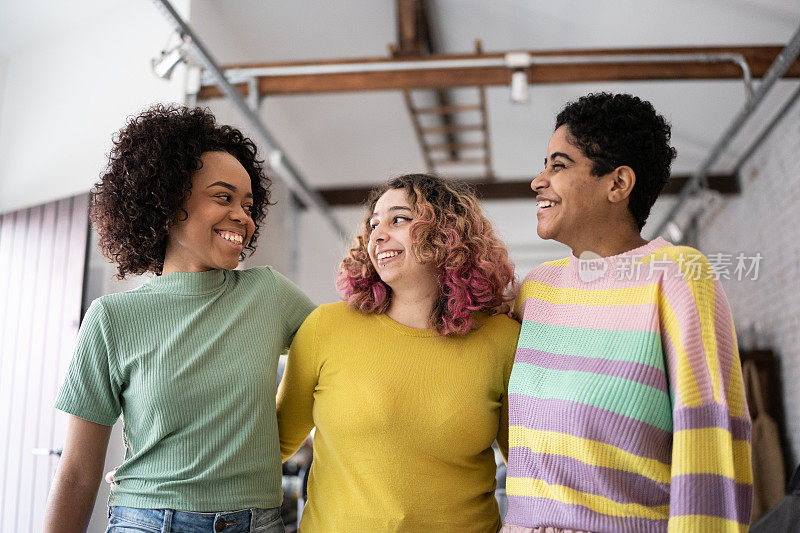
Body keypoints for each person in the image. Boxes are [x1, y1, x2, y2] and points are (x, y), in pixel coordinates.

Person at [43, 105, 315, 533]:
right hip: (148, 521)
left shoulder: (269, 294)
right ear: (167, 202)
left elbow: (341, 351)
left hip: (257, 522)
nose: (243, 216)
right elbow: (77, 471)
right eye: (223, 197)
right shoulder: (113, 318)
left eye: (248, 204)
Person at [502, 93, 752, 533]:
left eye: (558, 165)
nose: (538, 181)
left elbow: (709, 438)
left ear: (618, 184)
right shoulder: (536, 289)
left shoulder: (676, 276)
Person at [277, 173, 521, 532]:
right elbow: (271, 448)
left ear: (447, 233)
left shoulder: (502, 340)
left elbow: (527, 468)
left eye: (399, 219)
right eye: (374, 224)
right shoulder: (325, 327)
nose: (377, 234)